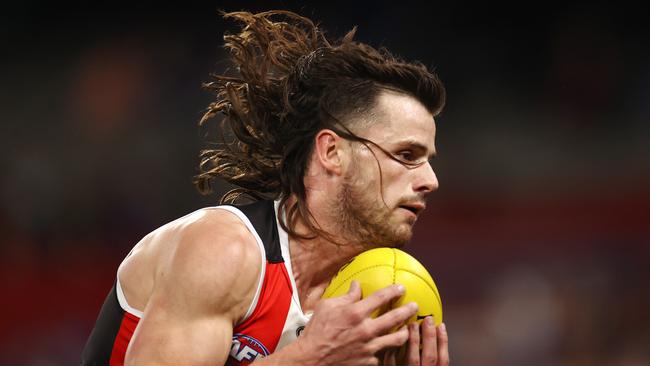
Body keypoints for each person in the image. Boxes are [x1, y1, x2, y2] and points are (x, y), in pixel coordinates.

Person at [81, 10, 448, 366]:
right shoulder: (224, 250)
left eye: (428, 159)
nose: (430, 180)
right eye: (406, 154)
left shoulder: (370, 295)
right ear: (332, 152)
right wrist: (307, 359)